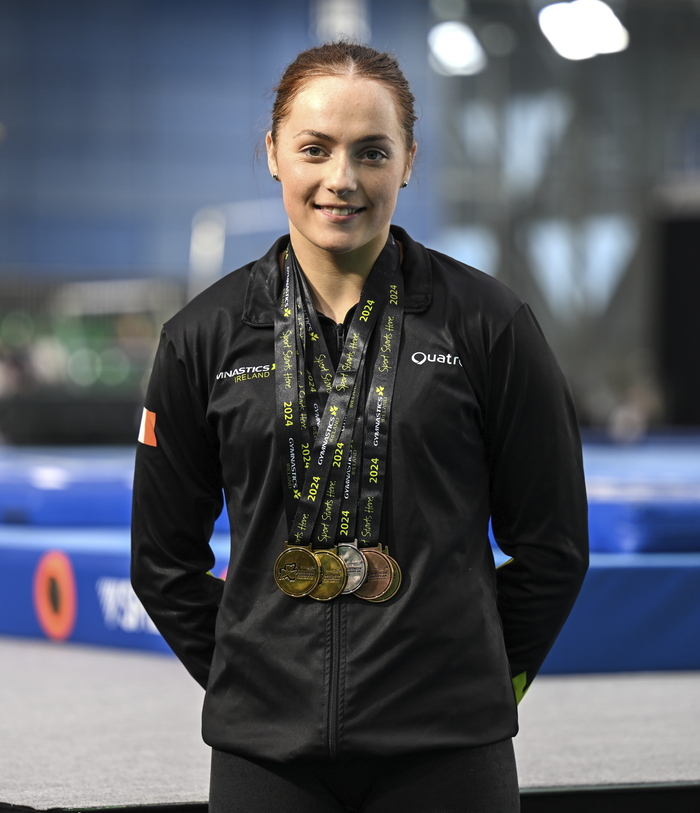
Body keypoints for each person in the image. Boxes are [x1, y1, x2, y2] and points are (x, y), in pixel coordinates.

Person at [131, 40, 588, 813]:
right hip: (267, 757)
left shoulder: (490, 324)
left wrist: (471, 679)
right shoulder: (202, 337)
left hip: (447, 750)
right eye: (315, 148)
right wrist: (252, 679)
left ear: (408, 161)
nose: (341, 179)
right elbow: (161, 560)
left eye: (371, 152)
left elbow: (554, 546)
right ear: (273, 153)